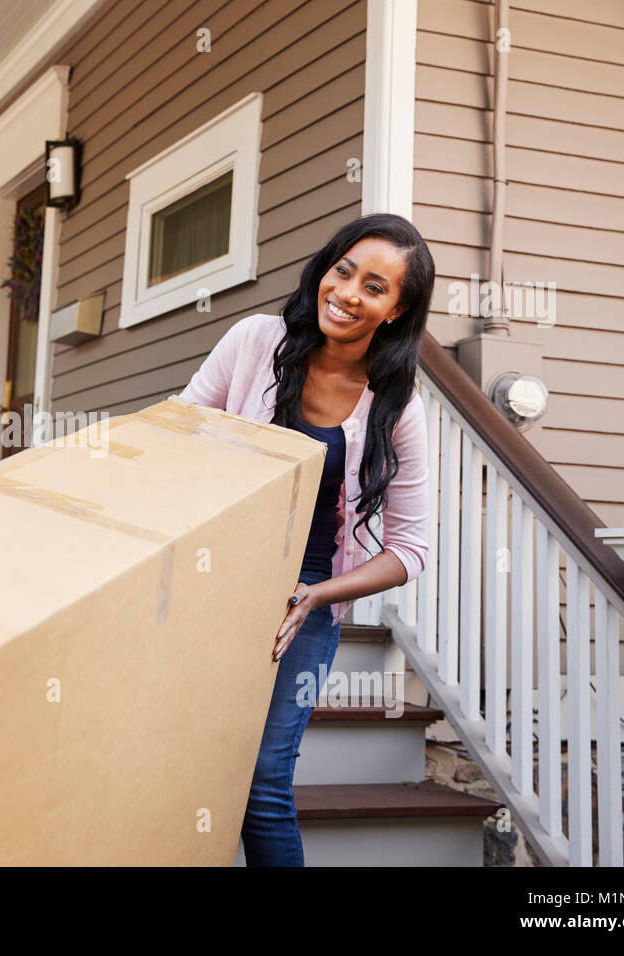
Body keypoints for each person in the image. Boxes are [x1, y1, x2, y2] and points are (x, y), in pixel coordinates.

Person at [180, 213, 433, 866]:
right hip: (211, 585)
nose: (348, 293)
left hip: (305, 602)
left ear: (396, 312)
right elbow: (178, 435)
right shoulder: (255, 341)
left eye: (374, 287)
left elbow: (410, 549)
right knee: (190, 769)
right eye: (343, 270)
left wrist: (317, 596)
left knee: (263, 782)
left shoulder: (396, 405)